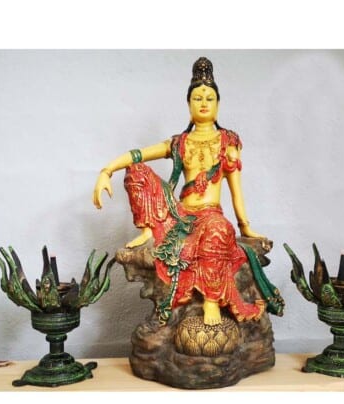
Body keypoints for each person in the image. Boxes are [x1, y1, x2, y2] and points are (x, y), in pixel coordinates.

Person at [93, 57, 284, 326]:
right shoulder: (179, 142)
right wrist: (107, 171)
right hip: (180, 214)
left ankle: (211, 300)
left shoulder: (228, 142)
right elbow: (139, 154)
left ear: (218, 105)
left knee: (219, 229)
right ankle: (148, 230)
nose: (203, 103)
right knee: (137, 170)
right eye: (197, 98)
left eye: (209, 98)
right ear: (188, 105)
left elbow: (235, 190)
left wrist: (245, 227)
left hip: (210, 215)